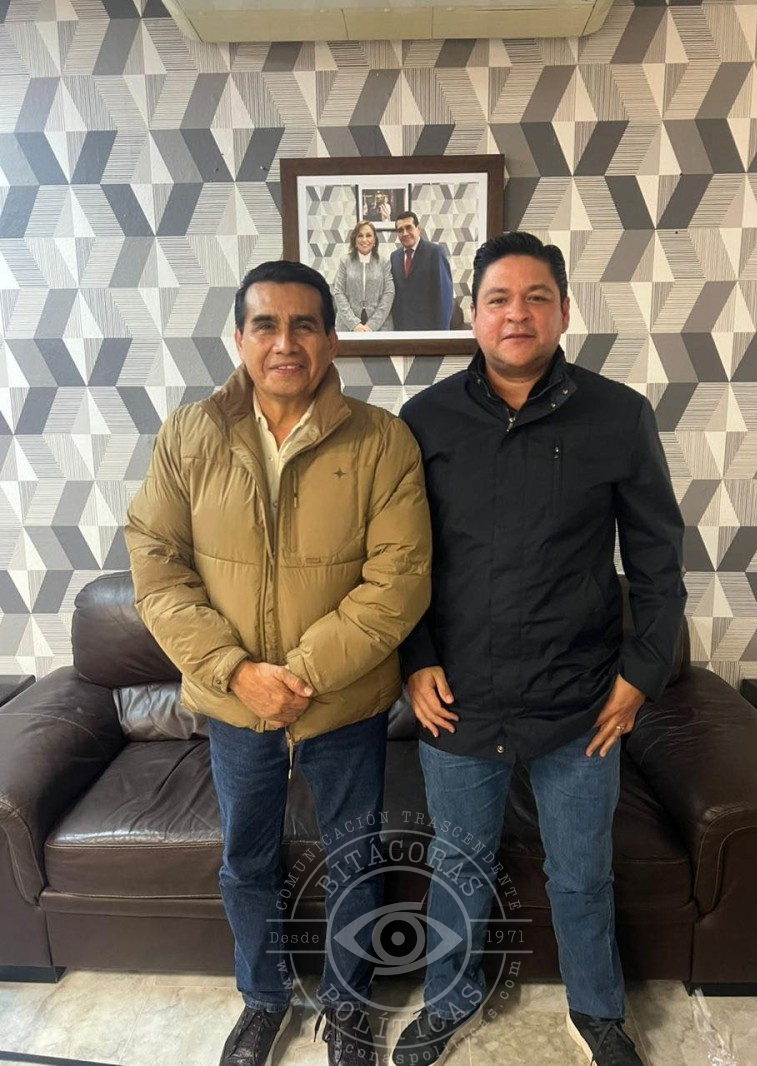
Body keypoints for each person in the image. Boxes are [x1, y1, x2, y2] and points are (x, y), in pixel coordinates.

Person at [125, 260, 431, 1066]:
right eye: (266, 324)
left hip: (344, 705)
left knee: (356, 858)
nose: (285, 342)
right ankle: (264, 998)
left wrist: (299, 675)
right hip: (235, 707)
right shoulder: (189, 435)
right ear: (240, 337)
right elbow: (156, 565)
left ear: (332, 341)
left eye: (304, 325)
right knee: (245, 861)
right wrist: (237, 672)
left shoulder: (382, 440)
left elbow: (399, 581)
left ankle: (351, 1007)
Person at [392, 232, 685, 1066]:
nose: (516, 314)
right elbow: (400, 561)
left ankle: (597, 1012)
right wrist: (414, 658)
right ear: (472, 313)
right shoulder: (425, 421)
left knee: (582, 875)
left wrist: (640, 674)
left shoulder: (618, 415)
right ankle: (451, 1000)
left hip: (581, 700)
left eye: (536, 297)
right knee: (457, 867)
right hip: (460, 698)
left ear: (563, 311)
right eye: (498, 299)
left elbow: (658, 562)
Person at [390, 211, 454, 331]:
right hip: (401, 330)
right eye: (400, 230)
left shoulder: (435, 252)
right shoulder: (394, 257)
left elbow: (444, 297)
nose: (405, 233)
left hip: (429, 331)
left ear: (418, 229)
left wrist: (442, 335)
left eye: (409, 227)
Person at [332, 220, 394, 333]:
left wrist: (372, 325)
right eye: (360, 236)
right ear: (355, 240)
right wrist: (354, 324)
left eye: (368, 235)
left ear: (374, 240)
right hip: (347, 326)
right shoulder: (344, 261)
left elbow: (389, 293)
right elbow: (338, 292)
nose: (364, 239)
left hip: (380, 327)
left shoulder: (384, 262)